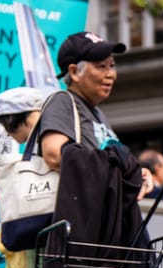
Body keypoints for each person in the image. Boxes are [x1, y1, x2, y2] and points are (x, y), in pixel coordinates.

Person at [39, 32, 154, 199]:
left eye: (112, 66)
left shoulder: (98, 114)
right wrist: (116, 167)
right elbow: (54, 154)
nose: (111, 74)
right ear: (74, 72)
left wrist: (136, 173)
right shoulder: (62, 102)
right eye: (102, 66)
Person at [0, 87, 46, 189]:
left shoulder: (47, 144)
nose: (7, 133)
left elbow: (38, 192)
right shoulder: (38, 142)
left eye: (6, 125)